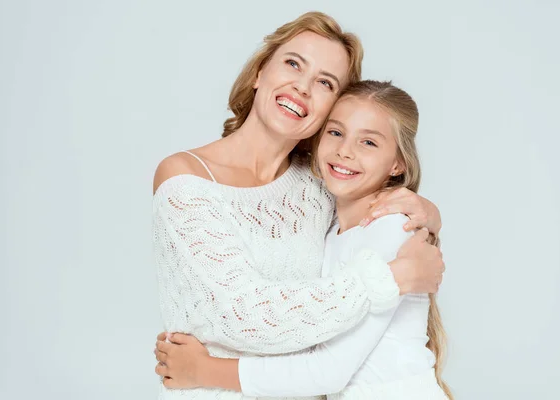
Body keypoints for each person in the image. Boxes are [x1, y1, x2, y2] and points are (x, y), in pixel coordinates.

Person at [152, 12, 444, 399]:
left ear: (332, 107)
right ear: (259, 72)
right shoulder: (186, 178)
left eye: (325, 83)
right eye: (293, 63)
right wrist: (391, 279)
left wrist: (427, 213)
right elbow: (245, 315)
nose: (303, 88)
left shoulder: (321, 182)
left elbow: (375, 212)